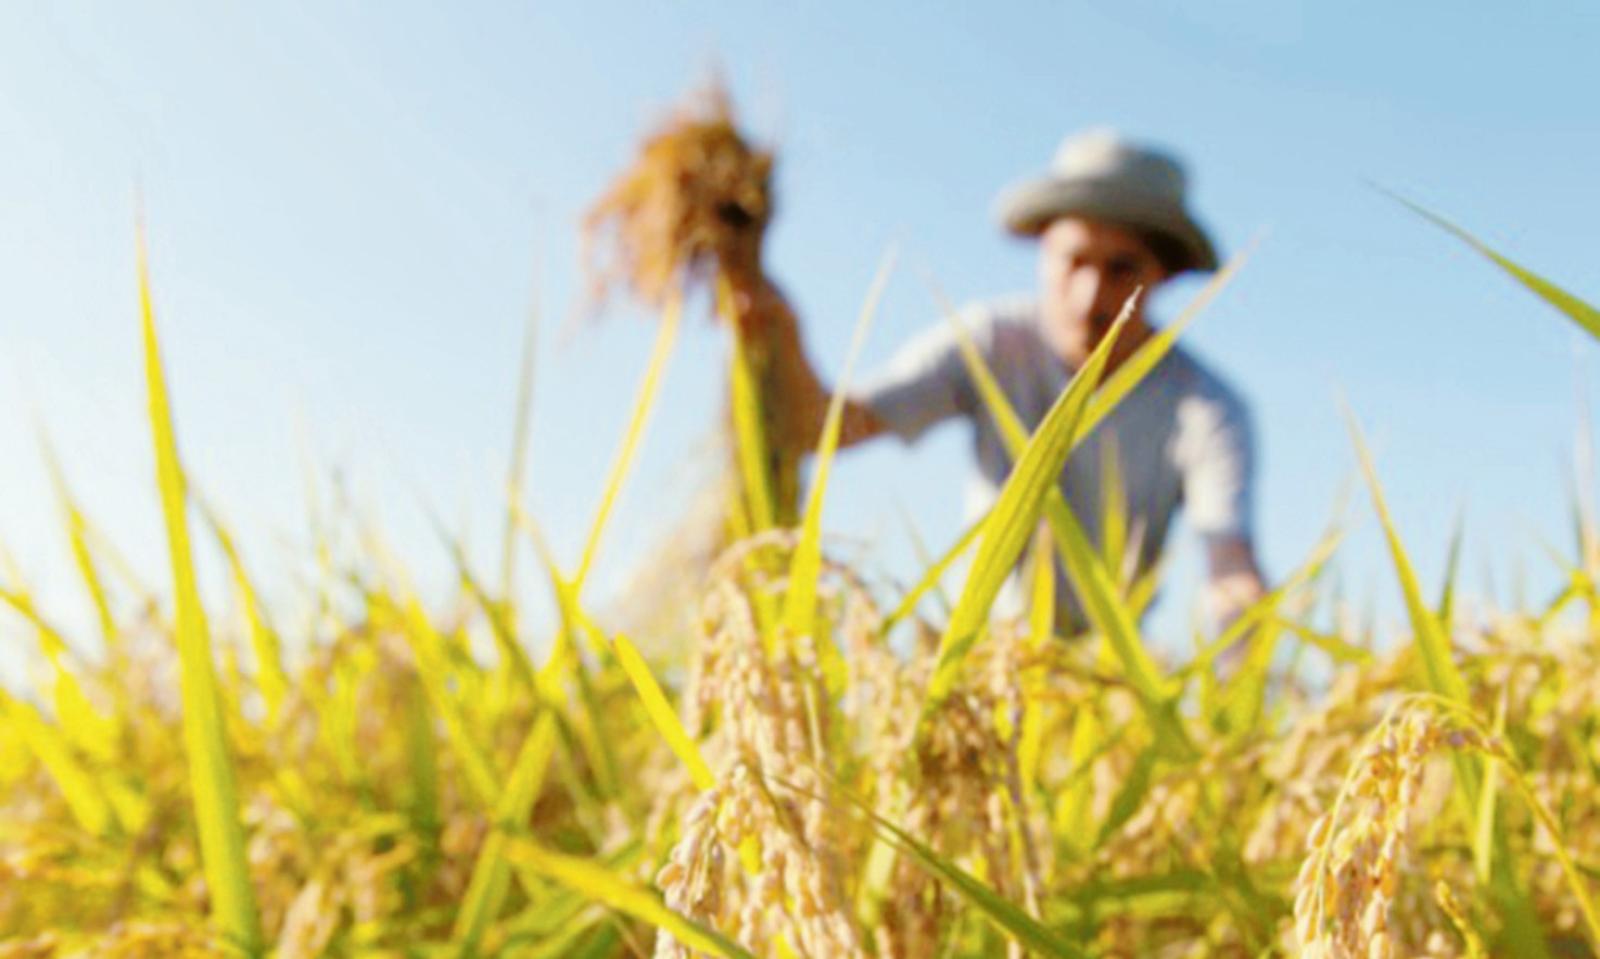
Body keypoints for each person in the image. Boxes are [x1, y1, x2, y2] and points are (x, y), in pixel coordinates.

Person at [756, 129, 1266, 636]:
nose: (1091, 296)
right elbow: (825, 429)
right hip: (986, 647)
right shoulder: (990, 344)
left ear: (1164, 275)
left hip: (1105, 672)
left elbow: (1228, 558)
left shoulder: (1204, 407)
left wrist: (1245, 644)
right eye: (1076, 261)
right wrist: (773, 330)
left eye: (1120, 269)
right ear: (1044, 253)